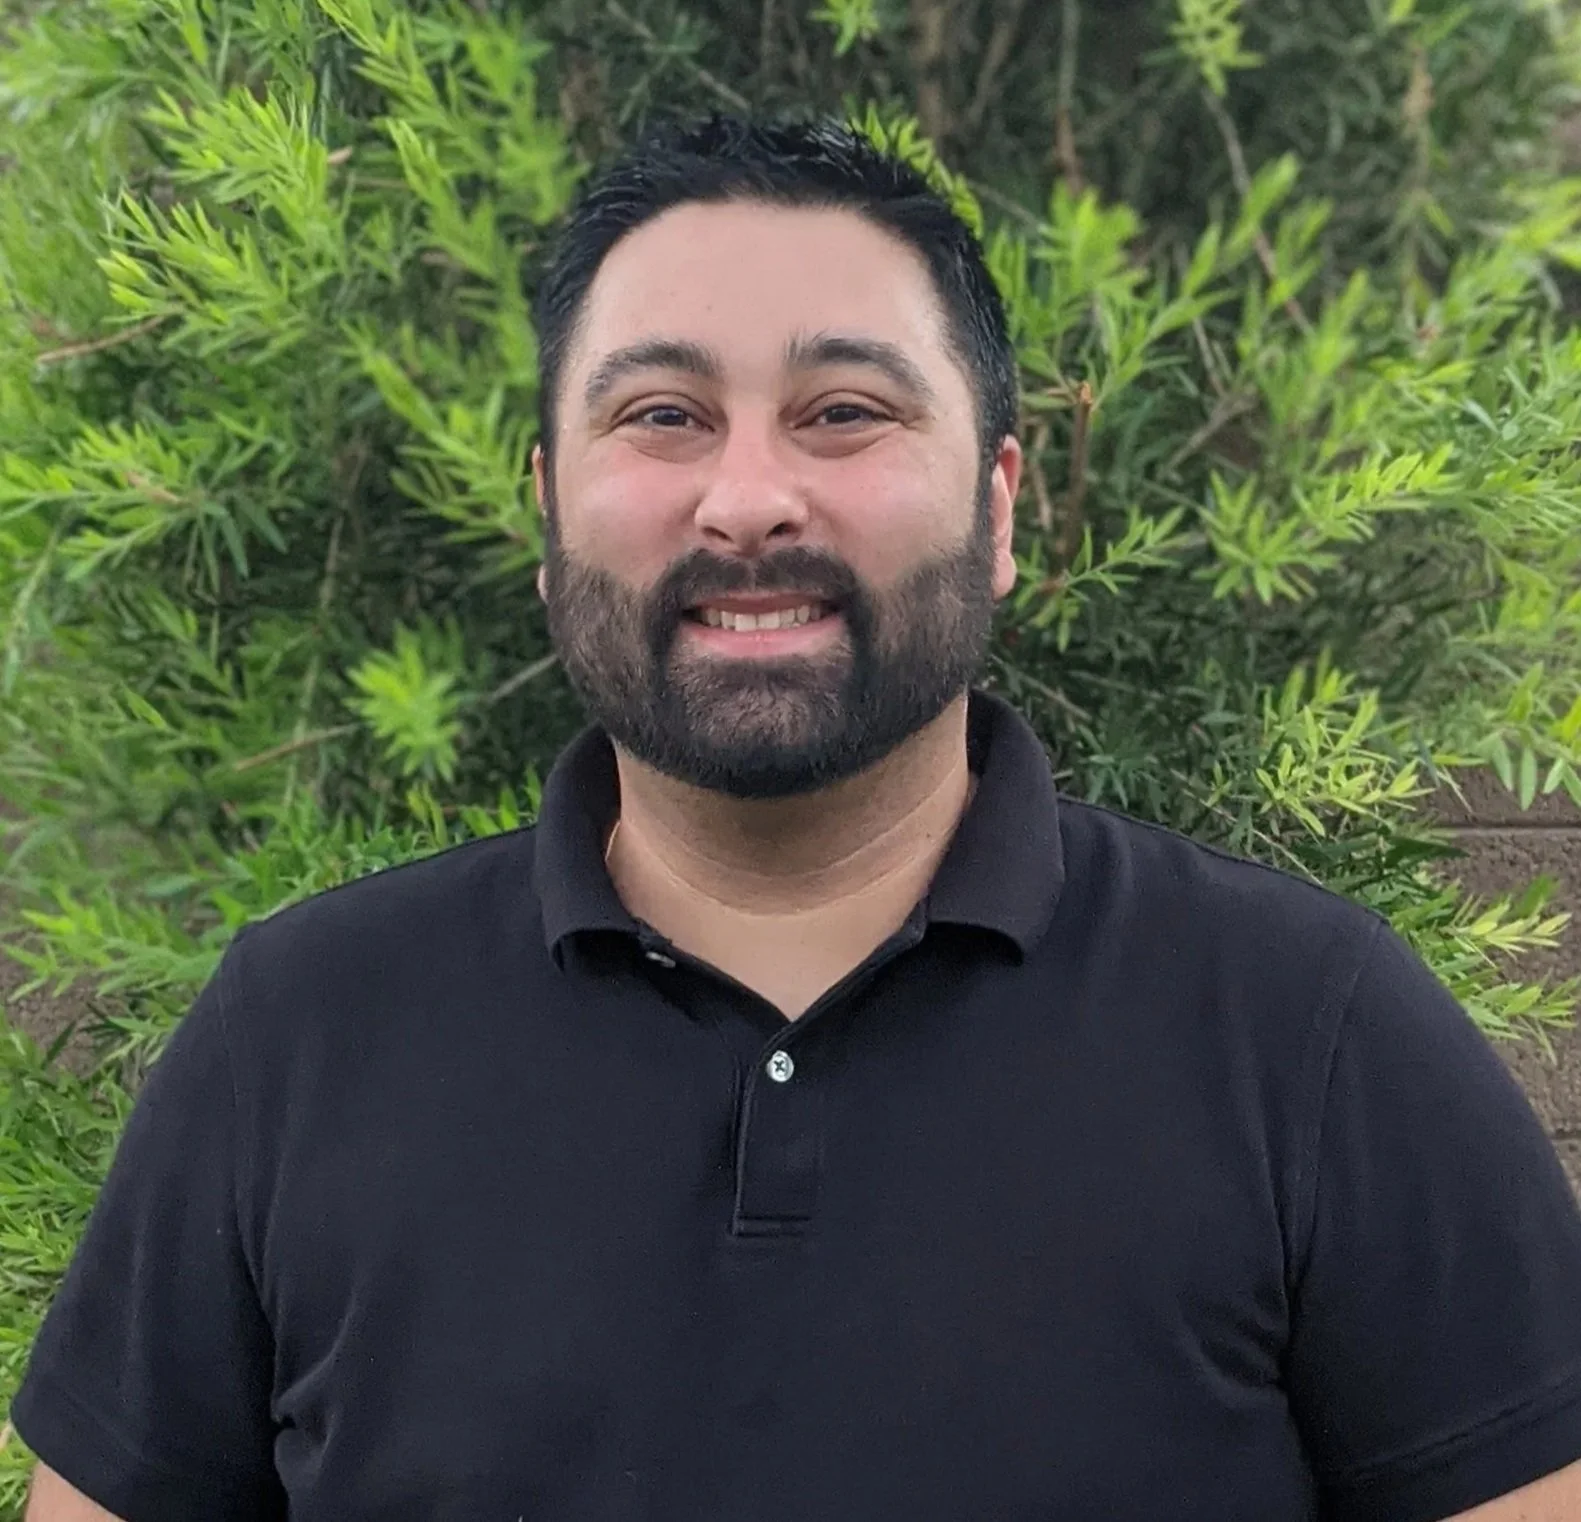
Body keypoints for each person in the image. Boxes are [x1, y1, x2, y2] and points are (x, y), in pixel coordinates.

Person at [13, 109, 1581, 1522]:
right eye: (663, 417)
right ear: (549, 515)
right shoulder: (296, 1033)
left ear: (1001, 505)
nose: (749, 496)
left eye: (843, 411)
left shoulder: (1309, 1035)